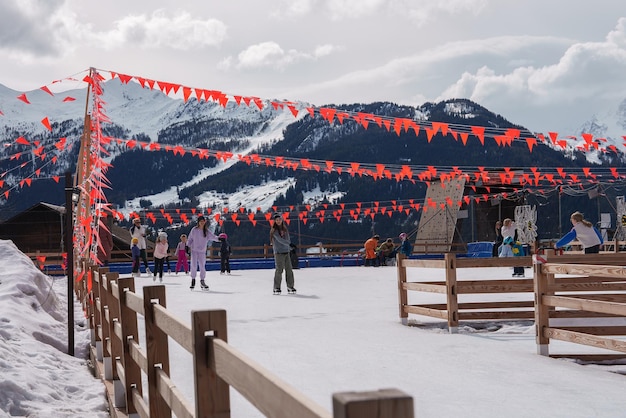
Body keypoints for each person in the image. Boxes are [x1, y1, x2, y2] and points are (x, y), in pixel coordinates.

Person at [186, 215, 218, 290]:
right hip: (194, 251)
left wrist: (219, 239)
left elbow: (213, 237)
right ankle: (193, 280)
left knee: (202, 266)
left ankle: (202, 281)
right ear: (198, 222)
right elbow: (190, 239)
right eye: (201, 221)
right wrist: (187, 246)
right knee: (193, 265)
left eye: (203, 221)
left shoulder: (206, 231)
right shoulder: (194, 230)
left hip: (202, 252)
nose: (202, 223)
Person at [270, 213, 296, 294]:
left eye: (280, 220)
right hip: (278, 252)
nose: (278, 221)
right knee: (279, 270)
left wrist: (291, 248)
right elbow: (280, 240)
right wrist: (289, 244)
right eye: (277, 220)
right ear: (275, 221)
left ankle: (290, 286)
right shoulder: (274, 231)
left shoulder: (285, 229)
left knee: (289, 269)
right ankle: (276, 287)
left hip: (286, 251)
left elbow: (288, 239)